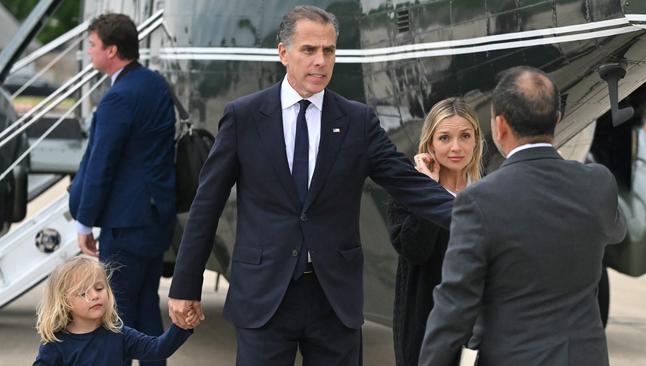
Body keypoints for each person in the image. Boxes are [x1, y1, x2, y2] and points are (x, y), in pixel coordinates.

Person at [167, 5, 454, 365]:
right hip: (264, 297)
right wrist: (184, 285)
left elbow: (409, 184)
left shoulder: (356, 120)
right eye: (309, 50)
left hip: (333, 300)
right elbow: (207, 205)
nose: (321, 61)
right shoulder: (244, 117)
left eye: (329, 50)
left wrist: (481, 217)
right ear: (283, 52)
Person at [418, 66, 627, 366]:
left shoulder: (479, 200)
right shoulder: (598, 182)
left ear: (499, 126)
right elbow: (616, 232)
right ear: (556, 120)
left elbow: (454, 307)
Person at [68, 13, 176, 366]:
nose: (88, 51)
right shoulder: (155, 83)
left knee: (116, 318)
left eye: (93, 45)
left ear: (112, 50)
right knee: (145, 312)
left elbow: (102, 163)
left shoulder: (119, 97)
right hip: (155, 218)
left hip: (127, 225)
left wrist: (84, 222)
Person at [388, 97, 483, 366]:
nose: (456, 147)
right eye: (444, 138)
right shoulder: (409, 195)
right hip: (424, 330)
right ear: (430, 144)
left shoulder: (487, 193)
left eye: (465, 136)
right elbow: (414, 251)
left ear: (476, 140)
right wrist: (429, 192)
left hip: (477, 331)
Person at [33, 256, 192, 365]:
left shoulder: (120, 334)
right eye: (83, 293)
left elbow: (157, 349)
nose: (95, 295)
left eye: (99, 288)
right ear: (64, 302)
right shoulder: (55, 344)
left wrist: (182, 325)